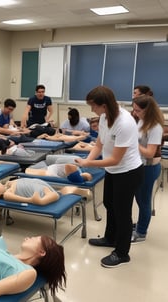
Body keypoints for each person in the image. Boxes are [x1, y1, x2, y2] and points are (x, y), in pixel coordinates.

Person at [74, 86, 144, 268]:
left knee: (122, 212)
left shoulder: (125, 123)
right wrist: (86, 161)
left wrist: (89, 164)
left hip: (127, 172)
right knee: (109, 204)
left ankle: (122, 253)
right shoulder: (104, 117)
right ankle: (110, 238)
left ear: (103, 105)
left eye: (93, 106)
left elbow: (115, 159)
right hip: (113, 170)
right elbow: (99, 144)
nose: (91, 110)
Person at [131, 95, 164, 243]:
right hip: (140, 165)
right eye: (134, 110)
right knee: (139, 199)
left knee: (144, 201)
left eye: (138, 110)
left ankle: (141, 232)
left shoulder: (155, 127)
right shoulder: (142, 122)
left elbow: (150, 153)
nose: (135, 113)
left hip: (149, 168)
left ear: (147, 110)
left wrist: (132, 143)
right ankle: (139, 225)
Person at [0, 178, 91, 205]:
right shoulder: (6, 194)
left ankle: (65, 191)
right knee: (54, 195)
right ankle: (40, 201)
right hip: (38, 193)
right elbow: (9, 197)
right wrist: (29, 200)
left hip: (38, 184)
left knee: (57, 192)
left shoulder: (8, 184)